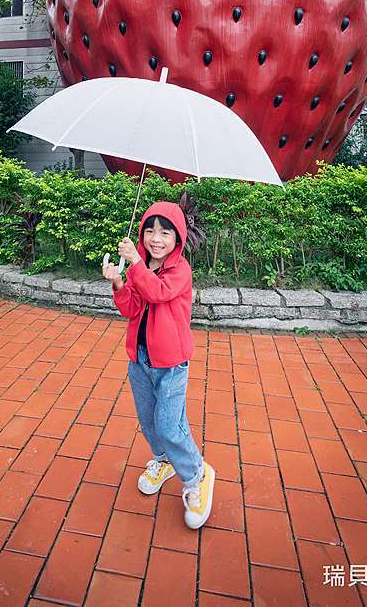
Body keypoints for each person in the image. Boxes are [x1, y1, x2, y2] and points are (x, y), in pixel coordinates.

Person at [101, 200, 215, 529]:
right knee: (149, 422)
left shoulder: (180, 271)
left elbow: (159, 294)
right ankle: (163, 461)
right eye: (149, 230)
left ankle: (196, 475)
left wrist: (135, 264)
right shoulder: (142, 266)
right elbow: (132, 307)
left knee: (169, 425)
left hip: (171, 363)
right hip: (140, 360)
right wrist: (121, 284)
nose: (155, 238)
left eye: (165, 232)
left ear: (177, 238)